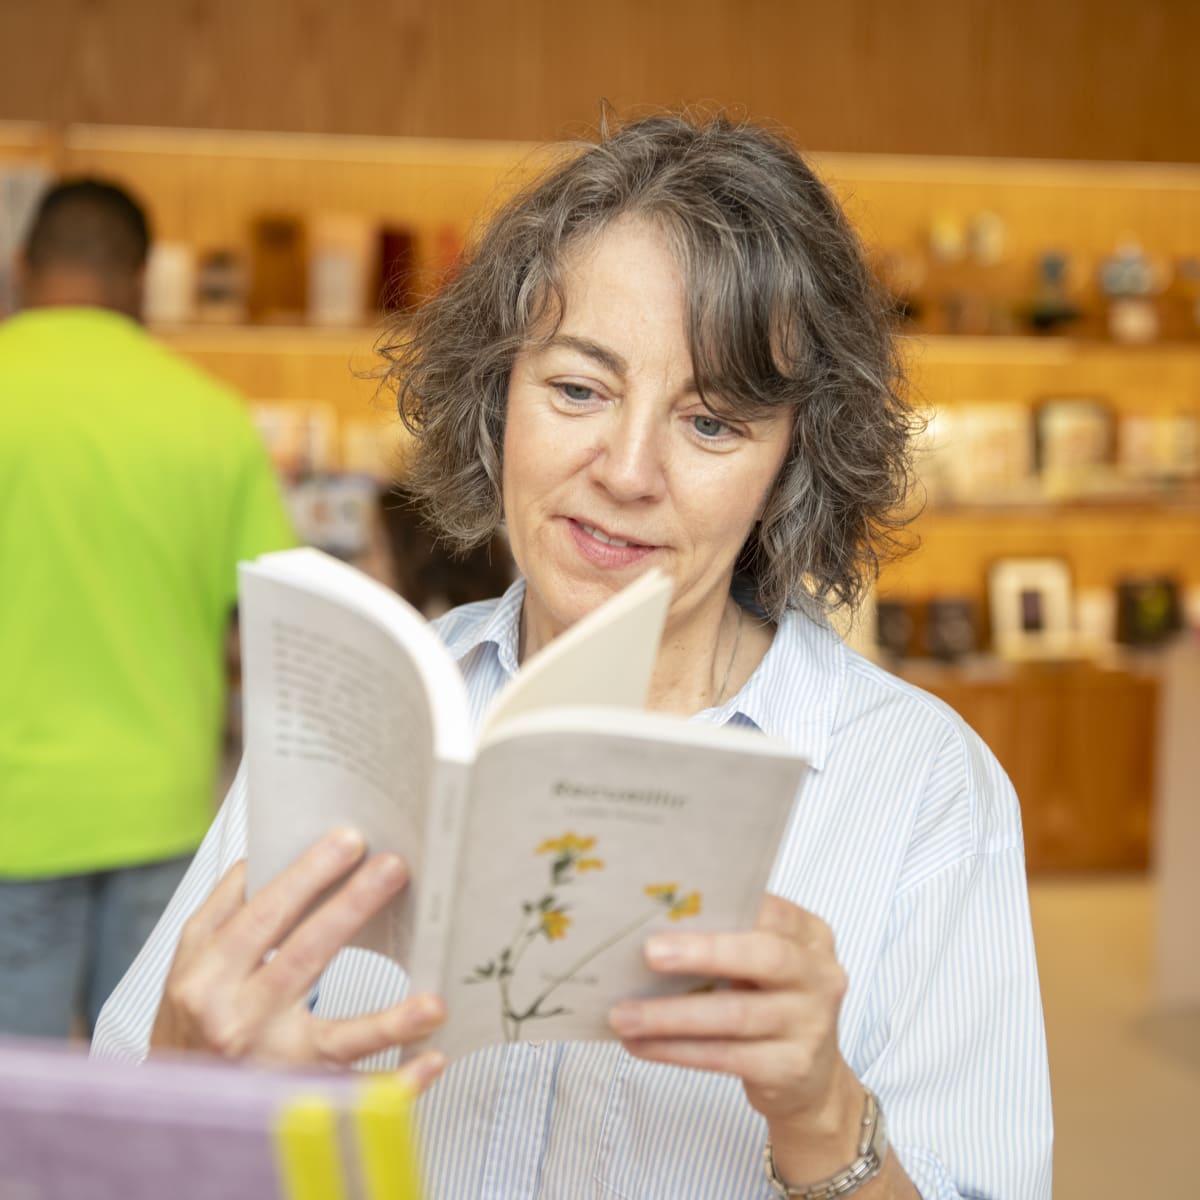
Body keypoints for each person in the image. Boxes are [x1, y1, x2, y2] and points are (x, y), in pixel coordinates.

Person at [93, 116, 1052, 1197]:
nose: (628, 471)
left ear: (794, 462)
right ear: (497, 394)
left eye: (714, 423)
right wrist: (187, 1080)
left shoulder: (921, 787)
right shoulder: (355, 711)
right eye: (580, 390)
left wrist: (824, 1113)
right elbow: (109, 1155)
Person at [0, 179, 296, 1039]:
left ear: (21, 269)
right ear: (138, 279)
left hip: (13, 815)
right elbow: (275, 621)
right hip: (162, 810)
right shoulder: (211, 419)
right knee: (139, 1082)